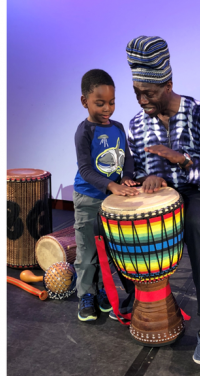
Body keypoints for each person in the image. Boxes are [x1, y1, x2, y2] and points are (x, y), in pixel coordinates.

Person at [124, 36, 200, 366]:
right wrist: (144, 179)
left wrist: (181, 160)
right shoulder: (137, 125)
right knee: (106, 223)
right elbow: (139, 170)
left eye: (149, 93)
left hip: (196, 191)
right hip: (162, 194)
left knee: (196, 222)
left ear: (168, 84)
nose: (142, 100)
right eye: (137, 92)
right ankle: (139, 297)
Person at [72, 69, 139, 322]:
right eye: (100, 103)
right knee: (87, 252)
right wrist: (111, 186)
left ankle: (100, 291)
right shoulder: (84, 131)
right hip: (88, 200)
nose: (107, 108)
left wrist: (126, 178)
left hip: (112, 202)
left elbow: (127, 158)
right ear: (84, 102)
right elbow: (86, 169)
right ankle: (85, 296)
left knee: (109, 252)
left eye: (111, 102)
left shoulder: (119, 128)